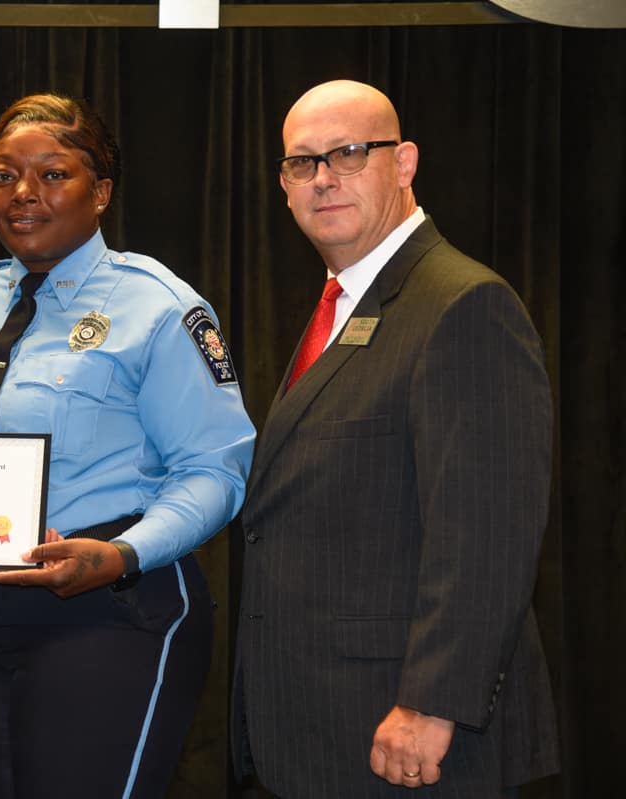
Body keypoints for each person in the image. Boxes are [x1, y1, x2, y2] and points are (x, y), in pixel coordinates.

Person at [0, 93, 255, 798]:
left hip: (112, 608)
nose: (24, 193)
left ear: (101, 191)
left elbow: (216, 470)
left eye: (53, 174)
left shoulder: (159, 305)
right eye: (4, 174)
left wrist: (119, 555)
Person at [231, 79, 560, 798]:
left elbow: (488, 532)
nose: (323, 179)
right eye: (301, 162)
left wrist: (432, 702)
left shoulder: (463, 304)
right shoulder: (343, 307)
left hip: (411, 738)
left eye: (349, 153)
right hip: (321, 727)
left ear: (404, 163)